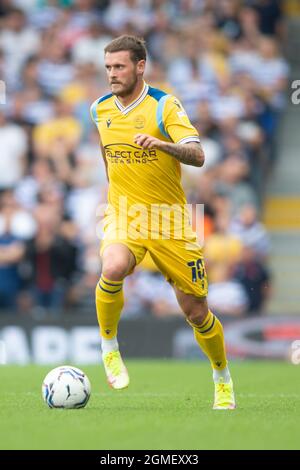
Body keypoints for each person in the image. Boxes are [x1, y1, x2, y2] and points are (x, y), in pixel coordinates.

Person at [90, 35, 235, 410]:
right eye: (108, 67)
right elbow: (108, 158)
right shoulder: (99, 109)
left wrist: (162, 145)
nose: (112, 74)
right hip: (125, 214)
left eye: (119, 66)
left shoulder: (164, 105)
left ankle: (221, 376)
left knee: (196, 312)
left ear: (140, 66)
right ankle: (109, 348)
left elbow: (198, 155)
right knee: (113, 266)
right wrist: (116, 200)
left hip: (169, 222)